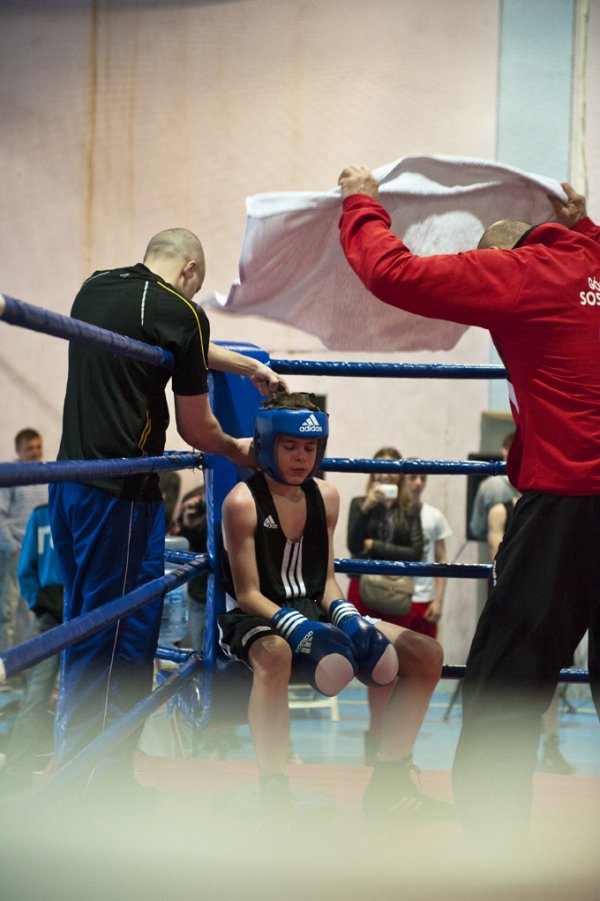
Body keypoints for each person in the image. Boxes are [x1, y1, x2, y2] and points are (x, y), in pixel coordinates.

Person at [337, 166, 600, 847]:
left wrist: (360, 200)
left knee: (502, 688)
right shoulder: (590, 255)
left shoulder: (521, 273)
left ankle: (495, 854)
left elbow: (392, 273)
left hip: (570, 503)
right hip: (567, 497)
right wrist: (582, 221)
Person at [48, 227, 287, 803]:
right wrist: (237, 449)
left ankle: (72, 768)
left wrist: (243, 366)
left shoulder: (95, 287)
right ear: (189, 273)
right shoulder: (181, 311)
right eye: (196, 290)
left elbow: (179, 344)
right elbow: (196, 428)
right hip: (122, 495)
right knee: (121, 637)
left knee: (83, 626)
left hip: (67, 483)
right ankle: (98, 783)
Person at [219, 392, 446, 822]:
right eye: (290, 446)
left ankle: (389, 782)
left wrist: (346, 614)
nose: (301, 457)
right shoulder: (242, 502)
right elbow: (248, 593)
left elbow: (324, 581)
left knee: (426, 654)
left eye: (310, 447)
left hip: (313, 607)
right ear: (266, 444)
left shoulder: (327, 496)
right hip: (256, 613)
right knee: (276, 654)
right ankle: (273, 789)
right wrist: (295, 626)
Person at [346, 447, 424, 763]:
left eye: (392, 469)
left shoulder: (410, 509)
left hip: (395, 590)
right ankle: (375, 734)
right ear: (372, 472)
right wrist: (367, 508)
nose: (386, 475)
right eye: (380, 468)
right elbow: (353, 545)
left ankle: (390, 741)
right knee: (374, 665)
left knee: (396, 667)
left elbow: (415, 552)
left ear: (400, 475)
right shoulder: (359, 504)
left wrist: (375, 545)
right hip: (363, 589)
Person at [487, 495, 573, 776]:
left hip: (551, 598)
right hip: (514, 600)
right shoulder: (501, 511)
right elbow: (498, 557)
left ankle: (550, 744)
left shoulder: (558, 504)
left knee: (550, 676)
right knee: (505, 677)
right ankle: (504, 748)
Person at [0, 499, 63, 797]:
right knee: (41, 690)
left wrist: (40, 603)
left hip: (69, 610)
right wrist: (40, 604)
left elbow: (26, 569)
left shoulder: (49, 513)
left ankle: (19, 768)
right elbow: (26, 568)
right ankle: (17, 767)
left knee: (44, 690)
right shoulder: (45, 514)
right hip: (63, 611)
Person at [0, 429, 46, 654]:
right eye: (29, 448)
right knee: (7, 611)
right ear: (18, 451)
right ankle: (4, 664)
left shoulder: (47, 476)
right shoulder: (10, 476)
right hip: (16, 553)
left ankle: (30, 663)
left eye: (38, 447)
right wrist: (12, 548)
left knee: (38, 611)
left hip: (40, 556)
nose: (35, 452)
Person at [400, 472, 452, 639]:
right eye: (413, 477)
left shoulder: (434, 516)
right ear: (403, 480)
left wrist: (438, 600)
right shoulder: (392, 514)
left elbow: (441, 558)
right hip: (394, 595)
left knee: (426, 652)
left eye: (423, 478)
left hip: (424, 599)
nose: (418, 482)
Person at [469, 431, 518, 540]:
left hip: (499, 545)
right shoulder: (537, 484)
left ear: (504, 451)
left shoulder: (488, 486)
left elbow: (477, 528)